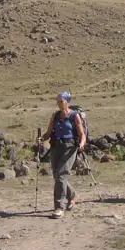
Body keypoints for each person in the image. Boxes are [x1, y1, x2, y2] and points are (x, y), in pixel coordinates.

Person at [41, 91, 86, 219]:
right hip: (56, 147)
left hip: (70, 148)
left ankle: (59, 207)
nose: (59, 104)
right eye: (58, 101)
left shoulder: (74, 116)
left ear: (67, 102)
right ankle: (72, 195)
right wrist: (42, 138)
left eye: (61, 101)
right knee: (56, 175)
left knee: (61, 175)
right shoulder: (55, 116)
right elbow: (49, 133)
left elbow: (82, 134)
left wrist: (82, 144)